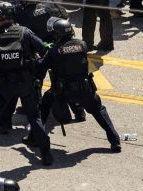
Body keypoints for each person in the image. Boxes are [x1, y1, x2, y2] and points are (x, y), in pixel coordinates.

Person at [0, 2, 50, 164]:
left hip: (4, 84)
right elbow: (44, 49)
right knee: (35, 117)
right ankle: (46, 154)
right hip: (26, 82)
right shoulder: (24, 32)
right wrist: (37, 69)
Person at [38, 19, 122, 151]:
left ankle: (35, 138)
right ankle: (115, 141)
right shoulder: (82, 45)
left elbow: (41, 67)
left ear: (57, 35)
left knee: (43, 107)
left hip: (63, 91)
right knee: (99, 110)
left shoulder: (54, 51)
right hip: (85, 89)